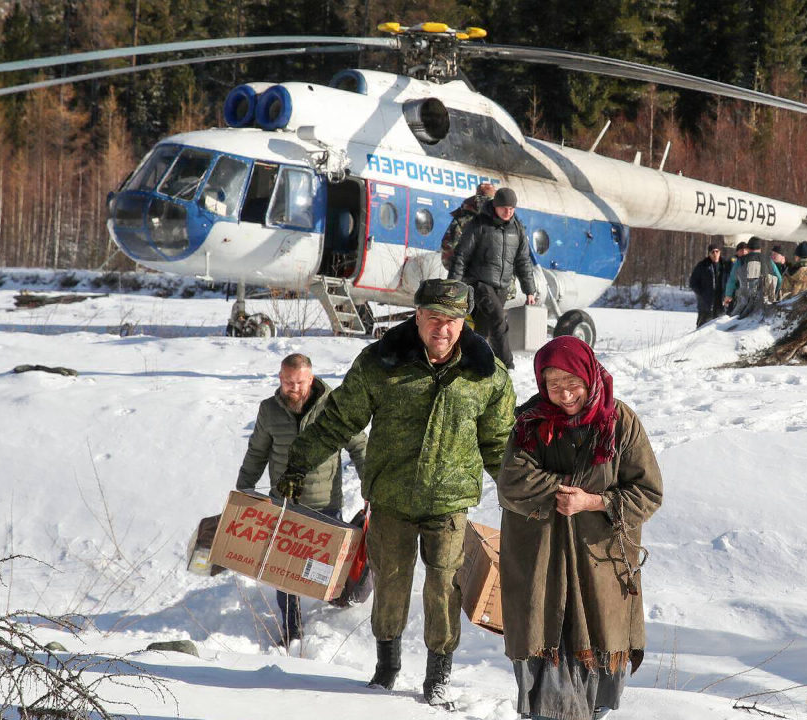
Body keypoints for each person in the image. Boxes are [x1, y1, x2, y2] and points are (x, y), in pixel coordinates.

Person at [281, 278, 516, 707]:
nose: (440, 329)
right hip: (390, 501)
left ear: (464, 323)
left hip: (448, 505)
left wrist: (518, 499)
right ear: (417, 316)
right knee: (389, 586)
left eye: (450, 320)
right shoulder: (381, 363)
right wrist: (299, 462)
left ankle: (437, 677)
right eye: (431, 318)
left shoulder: (487, 377)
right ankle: (386, 668)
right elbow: (338, 419)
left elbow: (499, 445)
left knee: (444, 589)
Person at [496, 336, 663, 720]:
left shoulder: (619, 422)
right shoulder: (530, 424)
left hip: (599, 565)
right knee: (546, 662)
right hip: (543, 566)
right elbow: (512, 484)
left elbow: (648, 492)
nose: (564, 393)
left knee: (600, 664)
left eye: (572, 382)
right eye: (553, 384)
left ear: (589, 376)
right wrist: (564, 490)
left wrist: (593, 501)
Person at [236, 354, 368, 645]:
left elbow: (359, 446)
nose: (292, 388)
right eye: (286, 382)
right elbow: (257, 452)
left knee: (328, 570)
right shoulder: (269, 410)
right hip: (284, 504)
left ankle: (338, 611)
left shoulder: (334, 406)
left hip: (325, 504)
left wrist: (370, 482)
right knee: (283, 569)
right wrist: (244, 489)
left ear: (311, 379)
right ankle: (291, 628)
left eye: (298, 382)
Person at [448, 187, 538, 368]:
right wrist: (454, 285)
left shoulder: (517, 229)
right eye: (504, 208)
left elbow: (523, 261)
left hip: (502, 286)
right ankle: (507, 364)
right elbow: (461, 256)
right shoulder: (479, 225)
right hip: (479, 282)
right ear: (495, 206)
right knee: (498, 320)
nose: (508, 212)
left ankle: (469, 361)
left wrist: (529, 290)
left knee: (483, 328)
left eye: (512, 208)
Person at [441, 182, 496, 273]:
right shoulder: (464, 219)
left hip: (477, 276)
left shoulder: (461, 218)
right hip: (482, 276)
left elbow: (447, 248)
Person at [724, 237, 784, 317]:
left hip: (744, 304)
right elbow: (779, 279)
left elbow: (732, 280)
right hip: (765, 304)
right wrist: (774, 293)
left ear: (748, 249)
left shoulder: (740, 261)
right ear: (760, 249)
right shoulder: (769, 261)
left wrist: (728, 295)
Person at [689, 243, 729, 327]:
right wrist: (702, 294)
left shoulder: (726, 265)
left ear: (720, 252)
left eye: (716, 251)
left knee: (721, 329)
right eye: (712, 252)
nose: (715, 254)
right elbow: (693, 282)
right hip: (706, 305)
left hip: (721, 304)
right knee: (702, 329)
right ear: (709, 254)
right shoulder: (702, 265)